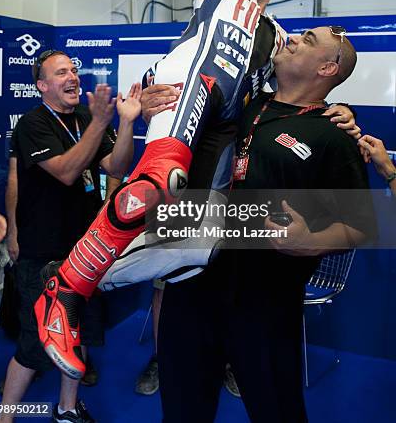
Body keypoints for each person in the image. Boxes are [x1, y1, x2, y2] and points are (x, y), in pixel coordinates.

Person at [34, 0, 358, 381]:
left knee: (191, 247)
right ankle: (62, 293)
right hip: (182, 99)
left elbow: (285, 99)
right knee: (161, 187)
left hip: (220, 139)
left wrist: (337, 111)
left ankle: (81, 281)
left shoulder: (284, 40)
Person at [154, 25, 376, 423]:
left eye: (307, 40)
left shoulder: (334, 135)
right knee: (182, 405)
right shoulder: (239, 103)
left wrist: (310, 239)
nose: (292, 39)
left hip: (265, 300)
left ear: (327, 67)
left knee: (276, 408)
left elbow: (360, 227)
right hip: (191, 284)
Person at [0, 49, 141, 423]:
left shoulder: (85, 119)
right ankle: (7, 417)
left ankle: (66, 409)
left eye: (74, 70)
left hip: (85, 249)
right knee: (35, 342)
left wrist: (124, 124)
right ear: (43, 86)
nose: (73, 77)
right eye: (61, 73)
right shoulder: (32, 124)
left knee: (73, 336)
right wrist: (99, 123)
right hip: (42, 252)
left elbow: (118, 165)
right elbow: (65, 171)